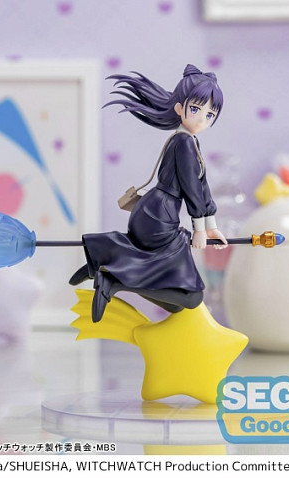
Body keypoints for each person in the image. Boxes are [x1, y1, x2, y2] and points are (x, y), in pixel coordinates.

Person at [70, 64, 227, 322]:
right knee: (190, 296)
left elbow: (202, 185)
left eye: (210, 114)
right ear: (179, 108)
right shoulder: (183, 142)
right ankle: (112, 278)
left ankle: (105, 264)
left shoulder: (189, 140)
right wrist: (198, 228)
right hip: (160, 216)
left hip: (155, 211)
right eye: (196, 109)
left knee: (177, 303)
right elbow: (191, 187)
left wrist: (211, 226)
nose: (202, 119)